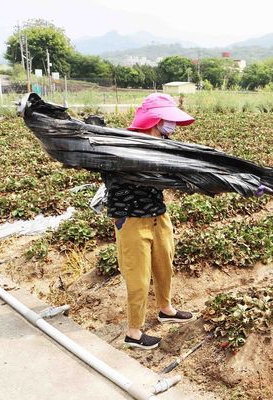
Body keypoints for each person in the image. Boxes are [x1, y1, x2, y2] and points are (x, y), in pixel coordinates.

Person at [105, 93, 195, 350]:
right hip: (132, 220)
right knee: (138, 279)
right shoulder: (123, 145)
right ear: (156, 120)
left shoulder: (164, 144)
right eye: (169, 121)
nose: (173, 127)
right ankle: (133, 333)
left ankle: (165, 309)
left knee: (165, 265)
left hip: (158, 215)